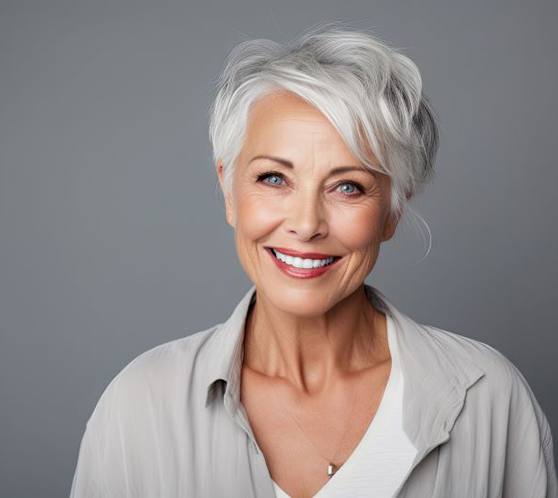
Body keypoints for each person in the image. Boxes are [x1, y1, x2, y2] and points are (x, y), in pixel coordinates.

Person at [69, 21, 557, 498]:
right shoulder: (139, 406)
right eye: (273, 179)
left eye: (348, 186)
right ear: (228, 190)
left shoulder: (489, 398)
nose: (306, 224)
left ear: (393, 210)